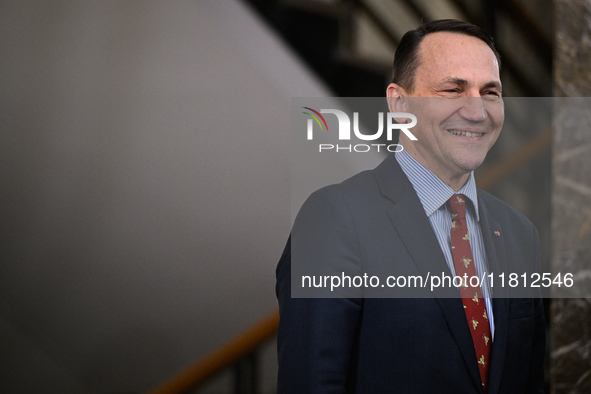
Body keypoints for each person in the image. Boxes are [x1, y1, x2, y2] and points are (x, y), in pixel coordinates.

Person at [276, 19, 545, 393]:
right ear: (399, 103)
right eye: (452, 89)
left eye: (490, 92)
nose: (476, 111)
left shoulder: (519, 233)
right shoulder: (335, 219)